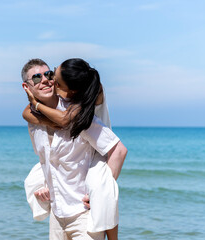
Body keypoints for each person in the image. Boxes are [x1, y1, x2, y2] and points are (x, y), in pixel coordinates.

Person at [22, 58, 127, 240]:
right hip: (57, 215)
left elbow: (118, 150)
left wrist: (99, 192)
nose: (46, 80)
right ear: (26, 87)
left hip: (84, 215)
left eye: (48, 74)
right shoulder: (33, 120)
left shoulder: (78, 115)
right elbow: (48, 162)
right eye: (37, 78)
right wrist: (44, 186)